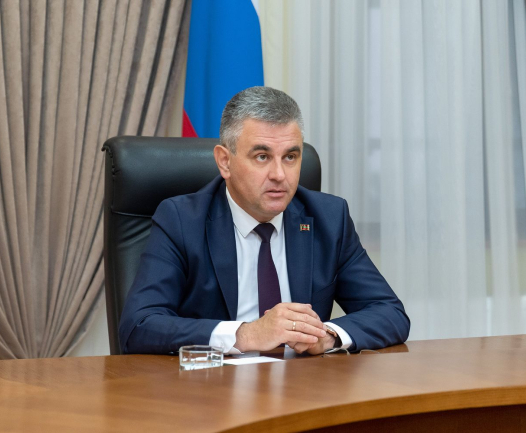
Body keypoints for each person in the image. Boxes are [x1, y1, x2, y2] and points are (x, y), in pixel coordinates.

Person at [119, 86, 409, 355]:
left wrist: (327, 336)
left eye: (290, 157)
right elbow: (139, 326)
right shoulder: (182, 220)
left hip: (304, 385)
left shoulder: (329, 219)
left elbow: (389, 312)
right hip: (213, 387)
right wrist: (246, 334)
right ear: (225, 161)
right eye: (262, 157)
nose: (279, 175)